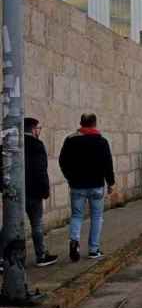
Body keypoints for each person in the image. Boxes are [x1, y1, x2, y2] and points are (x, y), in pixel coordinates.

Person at [58, 113, 116, 261]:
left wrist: (70, 177)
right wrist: (110, 183)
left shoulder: (70, 140)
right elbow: (107, 164)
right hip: (96, 185)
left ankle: (74, 241)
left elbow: (62, 161)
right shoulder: (101, 141)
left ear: (81, 123)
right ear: (95, 124)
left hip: (77, 185)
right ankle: (94, 250)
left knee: (77, 215)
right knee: (97, 217)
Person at [25, 118, 57, 267]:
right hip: (33, 190)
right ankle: (41, 255)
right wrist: (45, 189)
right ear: (33, 129)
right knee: (36, 224)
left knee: (9, 225)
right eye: (38, 128)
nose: (39, 131)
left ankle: (2, 257)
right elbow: (40, 169)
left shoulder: (11, 143)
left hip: (15, 192)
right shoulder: (36, 145)